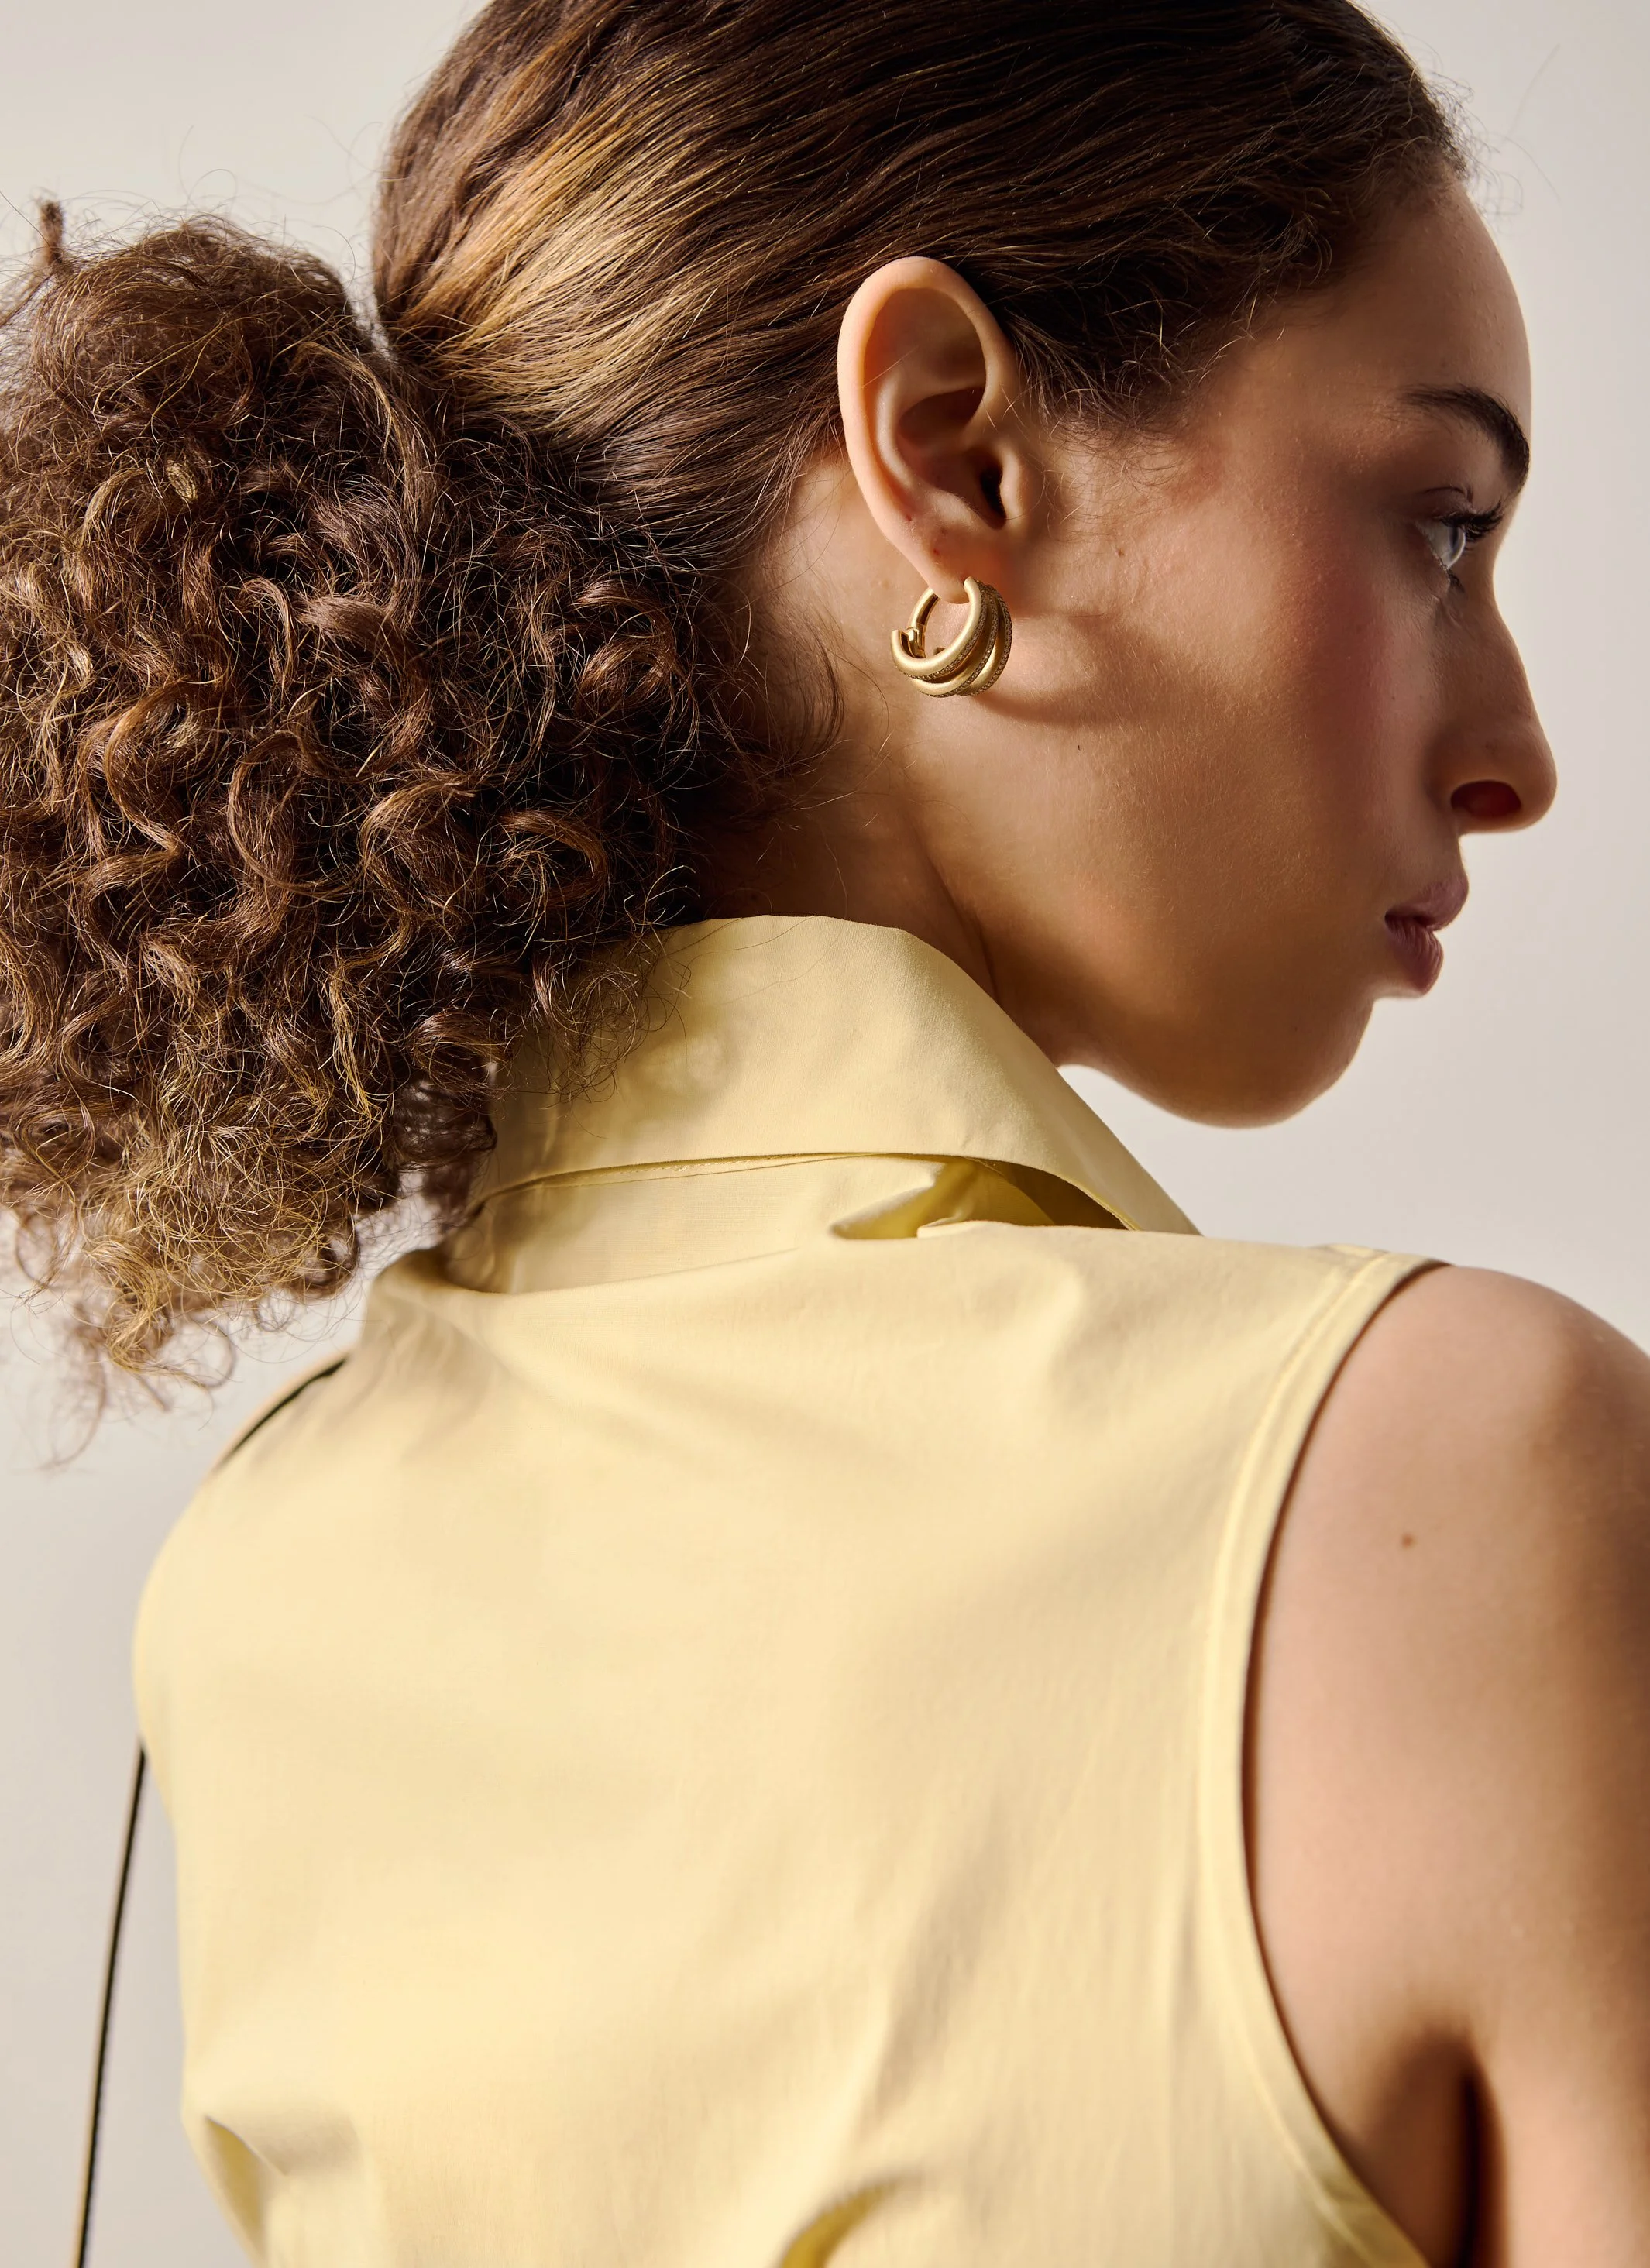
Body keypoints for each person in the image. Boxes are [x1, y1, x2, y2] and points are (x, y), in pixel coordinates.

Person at [4, 1, 1645, 2261]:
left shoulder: (260, 1588)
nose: (1519, 746)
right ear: (955, 453)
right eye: (1441, 524)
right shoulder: (1467, 1490)